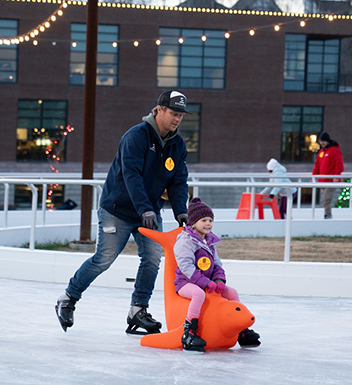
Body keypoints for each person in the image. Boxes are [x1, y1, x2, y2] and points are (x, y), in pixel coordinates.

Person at [56, 91, 191, 334]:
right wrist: (145, 208)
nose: (177, 119)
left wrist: (181, 210)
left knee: (152, 259)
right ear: (159, 110)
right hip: (117, 210)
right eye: (173, 113)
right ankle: (68, 298)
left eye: (180, 115)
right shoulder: (136, 136)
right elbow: (132, 175)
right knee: (104, 259)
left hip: (148, 212)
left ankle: (138, 309)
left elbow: (179, 181)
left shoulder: (177, 145)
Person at [174, 197, 261, 352]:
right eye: (203, 220)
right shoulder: (185, 241)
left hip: (208, 281)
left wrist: (219, 279)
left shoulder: (210, 240)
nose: (208, 224)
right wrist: (204, 282)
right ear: (193, 223)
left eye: (210, 220)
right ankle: (189, 330)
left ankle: (241, 331)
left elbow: (216, 264)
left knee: (231, 291)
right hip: (185, 283)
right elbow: (186, 267)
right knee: (198, 294)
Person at [311, 132, 344, 219]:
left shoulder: (334, 150)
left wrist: (336, 176)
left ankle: (328, 215)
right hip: (322, 180)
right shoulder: (321, 152)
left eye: (324, 141)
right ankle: (327, 214)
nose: (322, 143)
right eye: (321, 141)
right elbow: (317, 166)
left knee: (326, 200)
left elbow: (339, 165)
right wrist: (314, 176)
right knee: (323, 200)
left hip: (331, 180)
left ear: (328, 141)